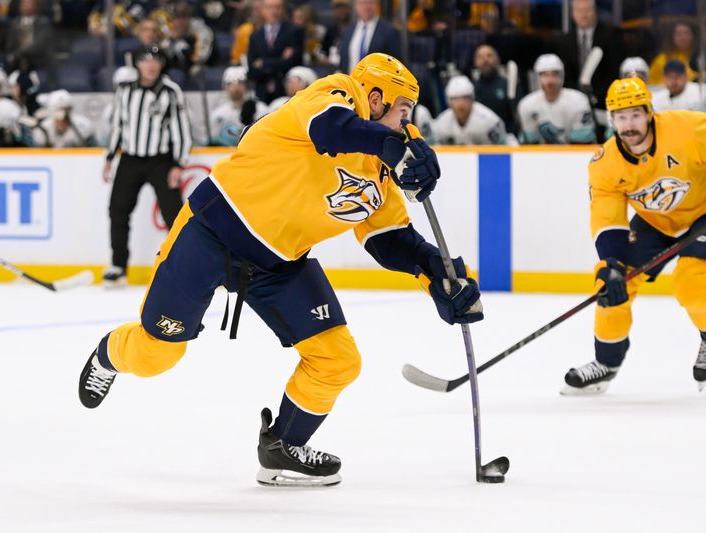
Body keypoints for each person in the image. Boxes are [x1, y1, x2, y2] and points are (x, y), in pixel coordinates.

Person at [76, 53, 483, 487]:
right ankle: (110, 353)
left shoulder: (382, 168)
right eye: (404, 111)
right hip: (211, 233)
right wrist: (391, 145)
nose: (407, 123)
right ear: (377, 98)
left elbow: (389, 239)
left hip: (278, 263)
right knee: (158, 354)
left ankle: (282, 448)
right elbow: (329, 129)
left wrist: (439, 275)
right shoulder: (336, 93)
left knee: (337, 359)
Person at [563, 77, 706, 394]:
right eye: (621, 117)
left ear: (650, 112)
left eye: (635, 115)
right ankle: (606, 362)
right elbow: (607, 214)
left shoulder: (688, 128)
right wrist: (612, 263)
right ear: (611, 119)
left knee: (692, 281)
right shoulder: (605, 163)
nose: (629, 125)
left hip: (702, 214)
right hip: (655, 222)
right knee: (613, 283)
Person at [103, 44, 192, 287]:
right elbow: (119, 126)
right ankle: (118, 266)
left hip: (160, 160)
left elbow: (182, 130)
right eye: (145, 60)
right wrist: (110, 157)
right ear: (137, 64)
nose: (150, 65)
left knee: (174, 214)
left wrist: (178, 164)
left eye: (155, 60)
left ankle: (185, 267)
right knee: (117, 210)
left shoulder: (171, 92)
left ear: (162, 64)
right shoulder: (125, 91)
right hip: (130, 158)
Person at [553, 0, 624, 111]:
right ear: (572, 13)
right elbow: (564, 75)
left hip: (604, 102)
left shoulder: (611, 35)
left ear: (595, 11)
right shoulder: (564, 40)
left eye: (587, 10)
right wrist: (579, 97)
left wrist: (594, 97)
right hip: (573, 104)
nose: (583, 15)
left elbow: (614, 71)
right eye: (579, 10)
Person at [517, 53, 595, 144]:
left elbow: (583, 143)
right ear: (537, 77)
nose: (550, 80)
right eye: (545, 75)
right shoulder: (527, 105)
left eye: (554, 74)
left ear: (562, 76)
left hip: (575, 155)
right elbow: (530, 144)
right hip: (541, 156)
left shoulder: (578, 101)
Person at [247, 0, 304, 104]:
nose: (274, 11)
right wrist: (280, 60)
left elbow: (293, 63)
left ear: (283, 9)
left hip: (286, 94)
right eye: (269, 7)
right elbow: (252, 70)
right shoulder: (255, 36)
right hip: (262, 95)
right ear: (262, 9)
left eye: (278, 7)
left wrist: (263, 63)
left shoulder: (294, 31)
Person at [433, 75, 506, 146]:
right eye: (455, 99)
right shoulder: (441, 124)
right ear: (449, 101)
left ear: (472, 99)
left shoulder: (489, 121)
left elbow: (502, 149)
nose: (460, 104)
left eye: (465, 98)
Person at [210, 66, 268, 146]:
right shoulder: (218, 114)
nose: (236, 88)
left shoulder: (261, 109)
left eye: (240, 83)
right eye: (231, 84)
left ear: (246, 86)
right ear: (225, 87)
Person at [472, 44, 522, 135]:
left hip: (507, 139)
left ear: (497, 59)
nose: (485, 60)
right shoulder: (471, 89)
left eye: (489, 55)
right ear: (475, 62)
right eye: (481, 57)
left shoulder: (508, 85)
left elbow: (516, 115)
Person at [339, 0, 400, 73]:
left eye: (370, 2)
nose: (366, 7)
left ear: (377, 5)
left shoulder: (390, 31)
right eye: (363, 3)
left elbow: (397, 65)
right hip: (350, 82)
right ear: (356, 5)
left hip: (376, 82)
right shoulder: (348, 31)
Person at [648, 21, 697, 86]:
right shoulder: (661, 60)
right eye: (678, 34)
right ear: (672, 37)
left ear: (693, 35)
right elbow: (652, 85)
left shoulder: (700, 57)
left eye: (686, 33)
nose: (683, 37)